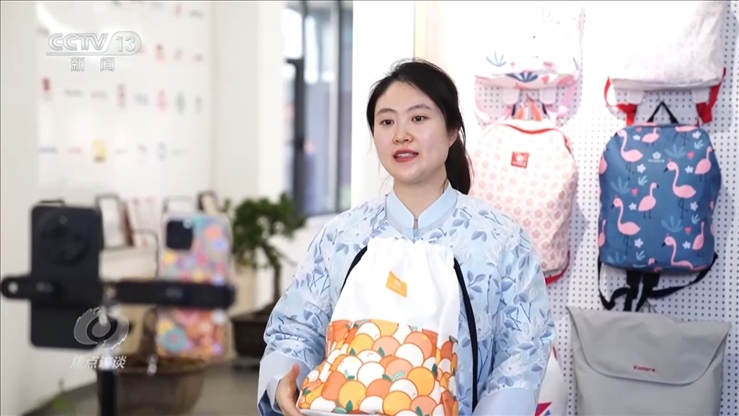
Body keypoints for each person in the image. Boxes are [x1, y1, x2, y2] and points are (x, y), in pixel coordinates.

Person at [257, 59, 555, 416]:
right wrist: (282, 381)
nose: (401, 134)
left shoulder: (502, 241)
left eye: (418, 118)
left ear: (452, 131)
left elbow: (522, 353)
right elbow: (295, 330)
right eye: (386, 122)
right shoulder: (340, 237)